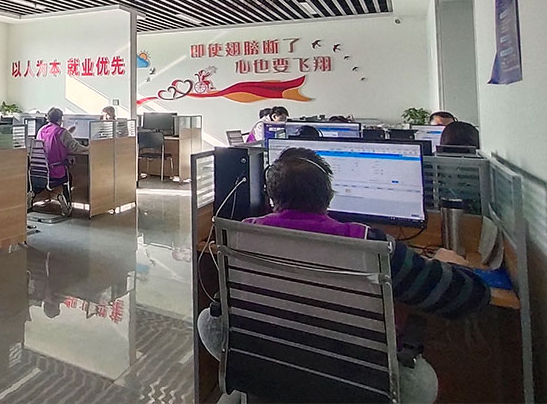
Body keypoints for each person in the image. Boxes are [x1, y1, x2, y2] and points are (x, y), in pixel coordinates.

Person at [198, 147, 490, 402]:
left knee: (207, 321)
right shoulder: (369, 243)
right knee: (421, 382)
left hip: (272, 361)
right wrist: (457, 265)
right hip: (354, 378)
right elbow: (470, 296)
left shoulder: (245, 232)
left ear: (271, 196)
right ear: (329, 195)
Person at [36, 107, 88, 214]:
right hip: (55, 170)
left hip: (40, 171)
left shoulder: (41, 130)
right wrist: (89, 148)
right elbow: (75, 148)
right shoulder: (61, 132)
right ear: (60, 119)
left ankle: (35, 195)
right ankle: (64, 200)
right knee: (70, 176)